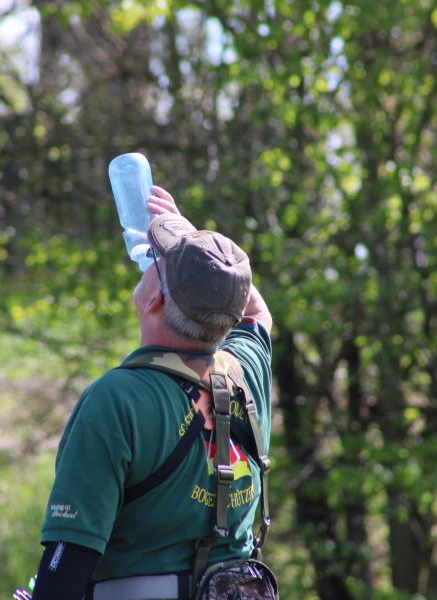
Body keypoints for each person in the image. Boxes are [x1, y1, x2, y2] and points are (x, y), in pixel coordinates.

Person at [27, 186, 272, 600]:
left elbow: (67, 564)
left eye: (161, 261)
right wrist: (208, 259)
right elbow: (257, 312)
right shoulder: (247, 371)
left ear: (155, 300)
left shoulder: (116, 399)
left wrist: (196, 254)